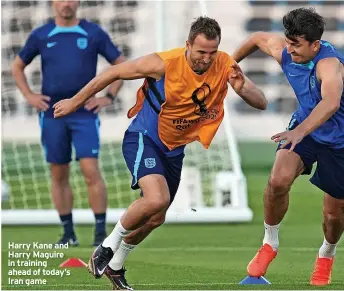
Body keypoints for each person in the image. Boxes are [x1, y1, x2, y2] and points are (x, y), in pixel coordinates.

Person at [53, 16, 268, 290]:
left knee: (157, 217)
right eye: (201, 52)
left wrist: (242, 88)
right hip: (143, 138)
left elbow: (261, 102)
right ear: (188, 45)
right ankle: (106, 247)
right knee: (156, 199)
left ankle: (116, 265)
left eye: (212, 52)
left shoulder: (225, 64)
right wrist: (75, 101)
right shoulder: (163, 63)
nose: (206, 58)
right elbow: (113, 73)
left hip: (174, 149)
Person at [232, 7, 344, 286]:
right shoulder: (286, 50)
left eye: (296, 44)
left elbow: (331, 103)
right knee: (278, 180)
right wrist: (229, 65)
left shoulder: (329, 65)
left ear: (315, 44)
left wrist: (299, 132)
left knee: (334, 214)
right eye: (288, 41)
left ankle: (327, 253)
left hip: (342, 140)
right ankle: (270, 243)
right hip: (304, 129)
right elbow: (257, 38)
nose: (290, 49)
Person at [11, 0, 126, 247]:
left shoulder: (92, 33)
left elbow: (121, 65)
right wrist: (29, 95)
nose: (66, 3)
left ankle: (99, 233)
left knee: (90, 171)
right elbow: (17, 66)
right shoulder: (41, 34)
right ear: (53, 3)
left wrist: (108, 97)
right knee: (58, 173)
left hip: (84, 113)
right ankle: (68, 233)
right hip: (53, 114)